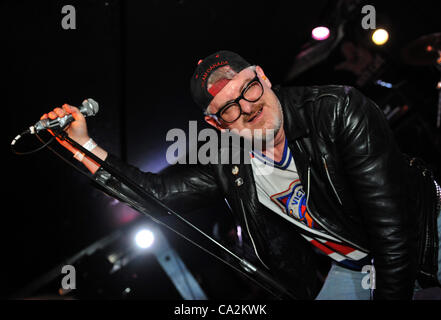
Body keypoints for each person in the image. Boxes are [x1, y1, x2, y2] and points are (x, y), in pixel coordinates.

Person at [40, 50, 441, 300]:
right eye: (228, 108)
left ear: (262, 77)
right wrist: (82, 145)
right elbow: (156, 193)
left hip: (424, 240)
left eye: (248, 89)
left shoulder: (336, 110)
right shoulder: (229, 159)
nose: (247, 109)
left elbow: (394, 233)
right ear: (216, 124)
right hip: (355, 265)